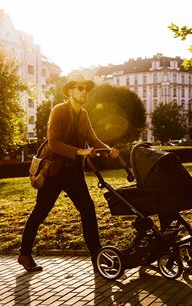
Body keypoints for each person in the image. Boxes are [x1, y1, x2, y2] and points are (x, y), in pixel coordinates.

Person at [18, 74, 119, 272]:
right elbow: (53, 143)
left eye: (86, 89)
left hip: (73, 172)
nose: (84, 92)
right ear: (70, 91)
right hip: (54, 171)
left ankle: (96, 257)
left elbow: (93, 138)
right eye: (79, 88)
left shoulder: (83, 114)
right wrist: (79, 151)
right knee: (40, 212)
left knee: (88, 210)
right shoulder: (59, 110)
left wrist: (108, 149)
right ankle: (24, 254)